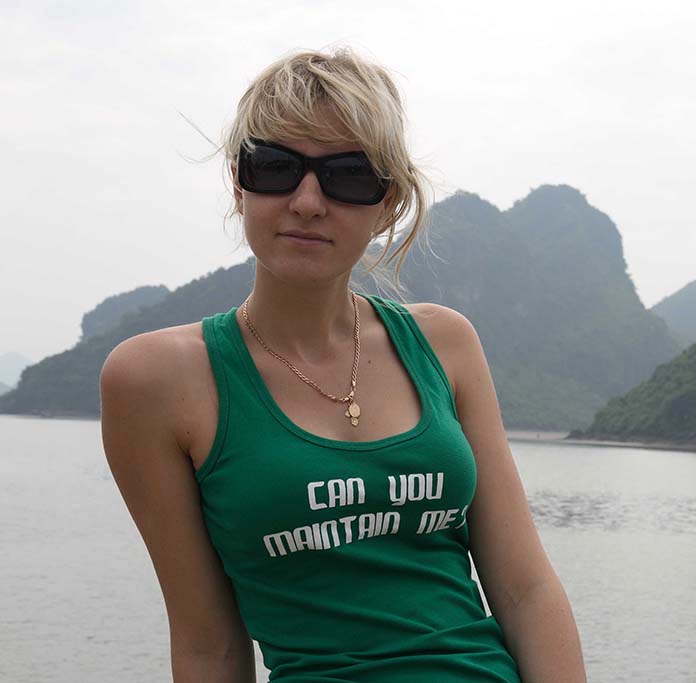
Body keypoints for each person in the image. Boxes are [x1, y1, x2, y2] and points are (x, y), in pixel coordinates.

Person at [99, 47, 586, 683]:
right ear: (238, 181)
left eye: (349, 176)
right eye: (276, 167)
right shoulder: (156, 381)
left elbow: (524, 589)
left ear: (388, 204)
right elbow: (207, 643)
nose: (306, 201)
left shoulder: (444, 345)